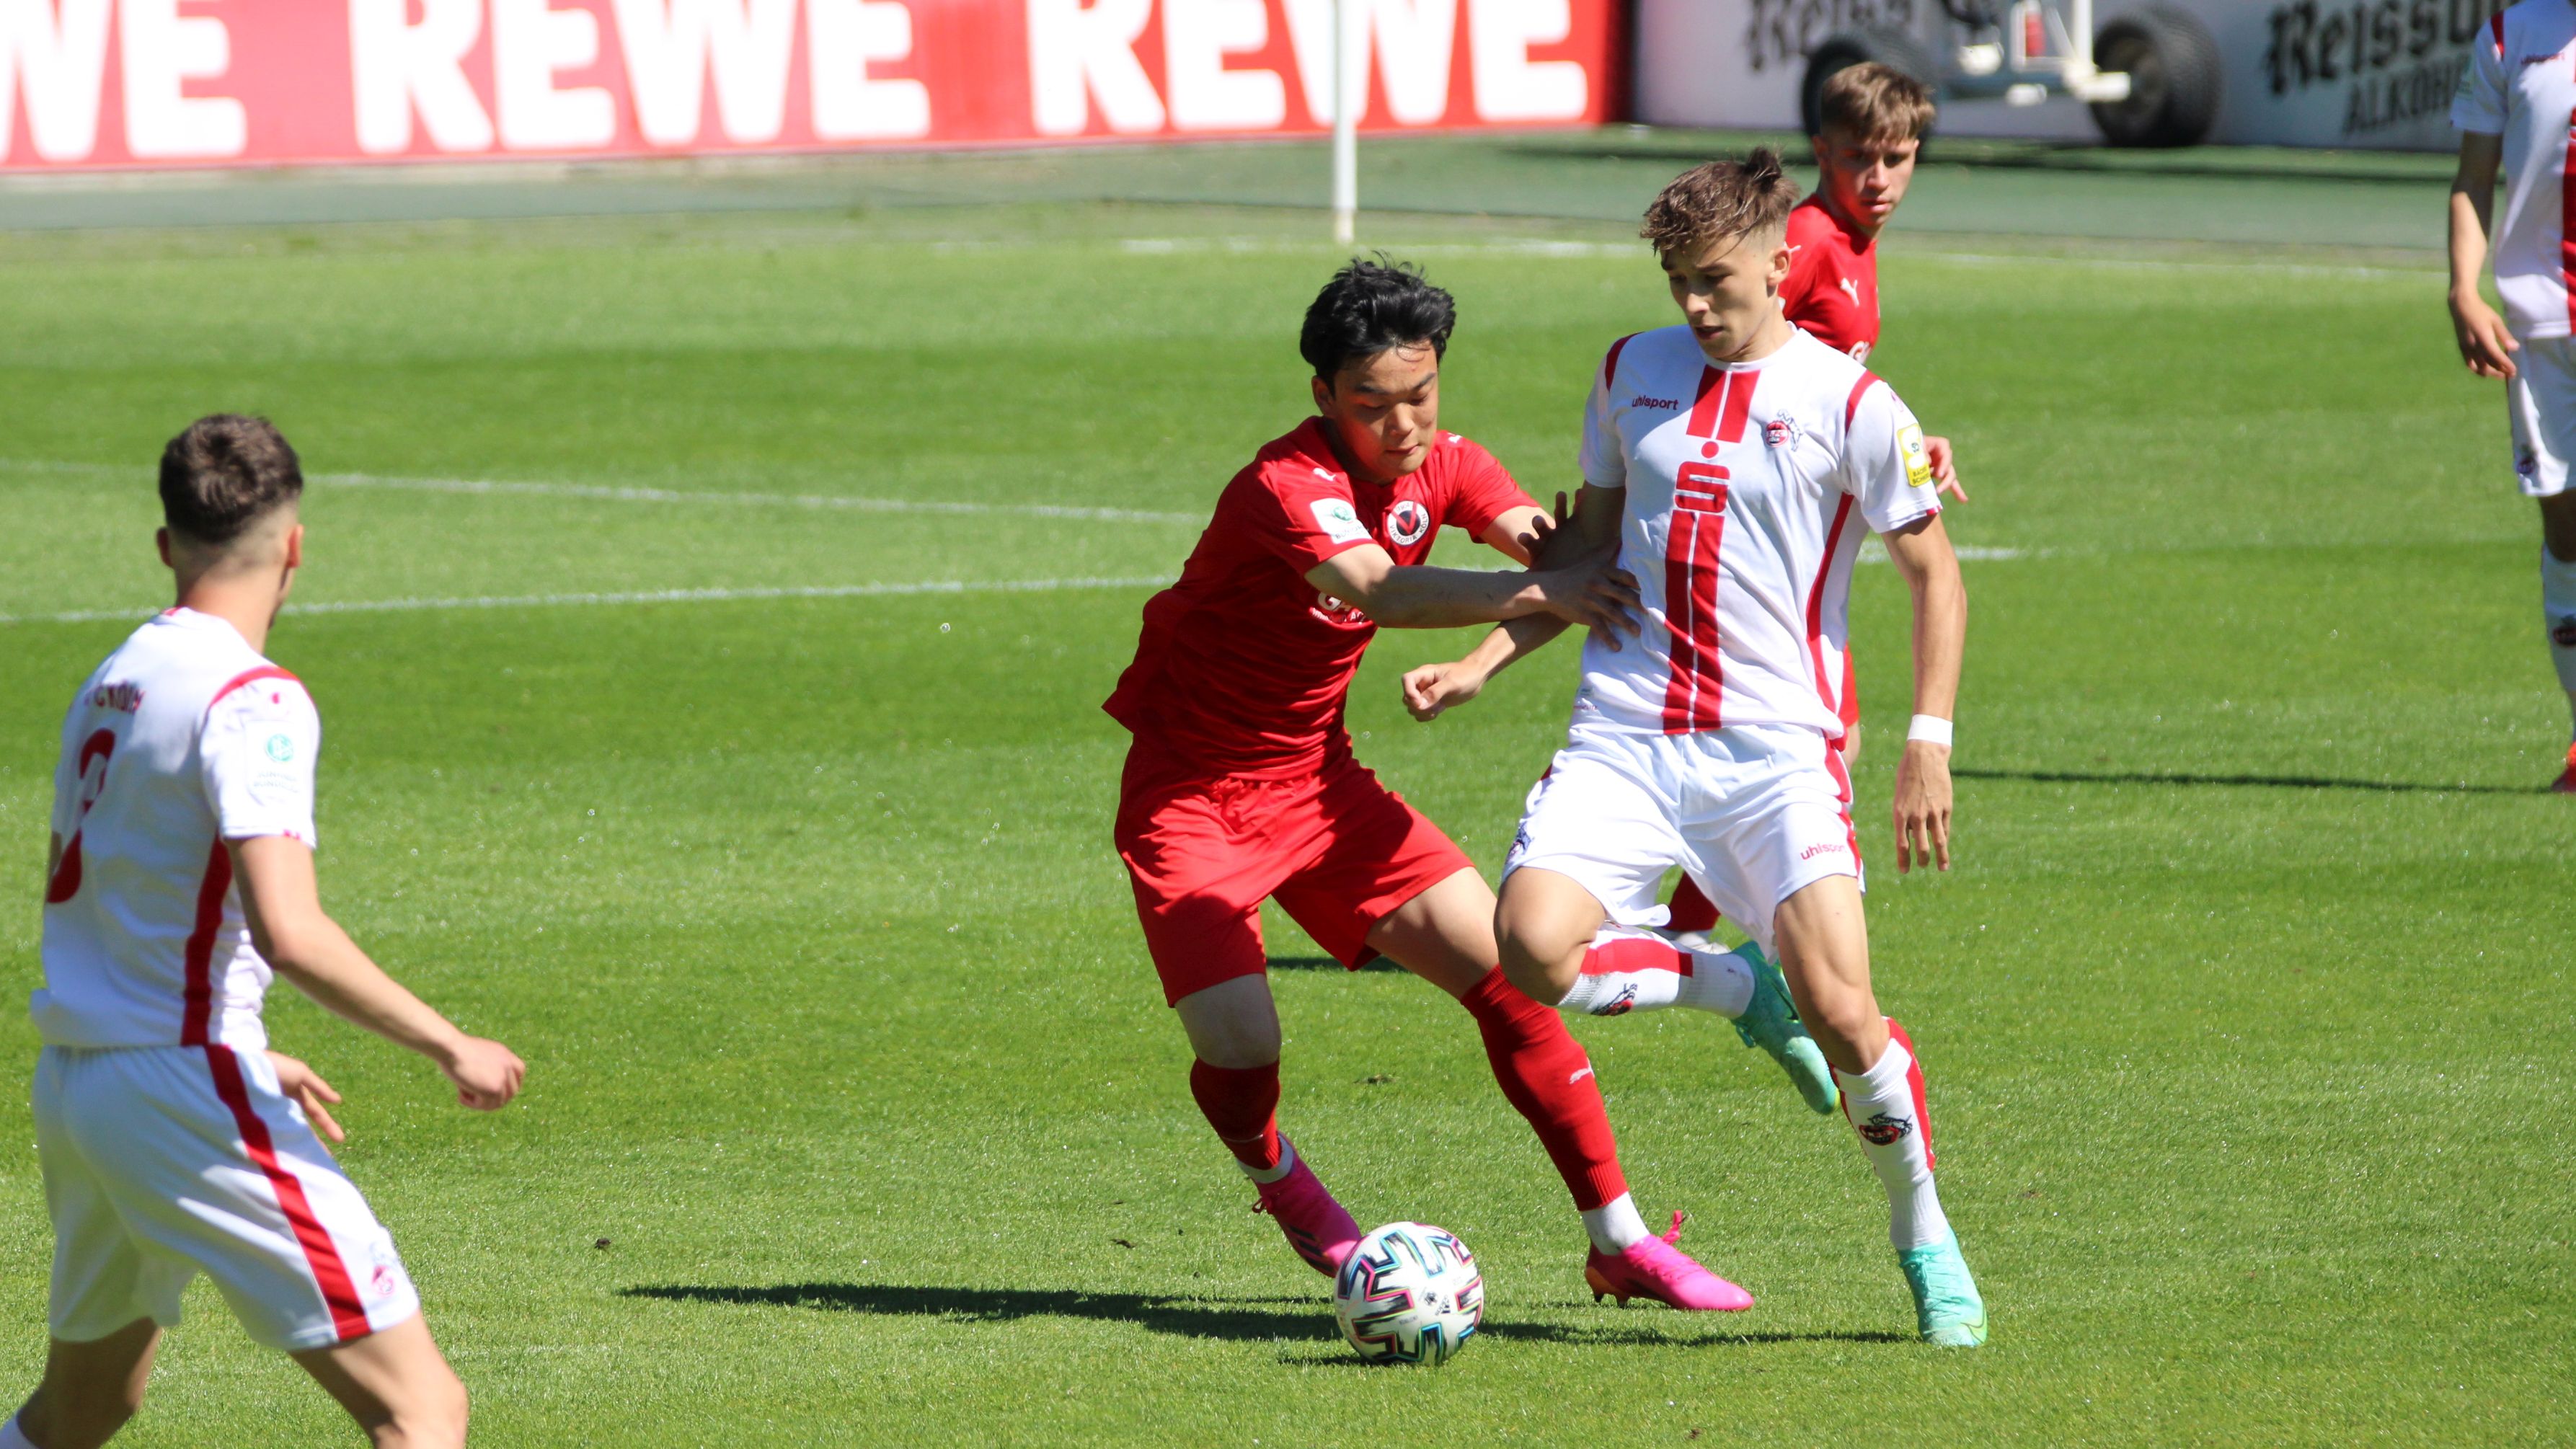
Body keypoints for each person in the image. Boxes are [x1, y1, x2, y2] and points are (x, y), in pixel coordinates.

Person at [1104, 260, 1824, 1311]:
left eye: (1419, 397)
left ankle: (1618, 1240)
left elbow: (1566, 559)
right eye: (1371, 406)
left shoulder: (1450, 466)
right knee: (1245, 1043)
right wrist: (1547, 582)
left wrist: (1531, 608)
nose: (1401, 427)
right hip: (1189, 796)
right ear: (1322, 398)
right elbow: (1382, 590)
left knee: (1510, 975)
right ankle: (1284, 1185)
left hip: (1318, 785)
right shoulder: (1284, 485)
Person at [1422, 152, 1988, 1345]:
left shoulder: (1854, 408)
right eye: (1677, 280)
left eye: (1714, 278)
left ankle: (1921, 1233)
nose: (1693, 303)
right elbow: (1581, 561)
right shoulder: (1630, 372)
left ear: (1782, 261)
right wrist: (1485, 658)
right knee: (1528, 947)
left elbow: (1934, 577)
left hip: (1773, 755)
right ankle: (1735, 985)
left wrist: (1924, 742)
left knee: (1848, 1022)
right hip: (1625, 733)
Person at [16, 416, 527, 1448]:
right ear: (295, 544)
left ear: (166, 543)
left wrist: (236, 1041)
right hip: (175, 1081)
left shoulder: (115, 678)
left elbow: (130, 889)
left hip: (82, 1081)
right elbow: (290, 930)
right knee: (421, 1406)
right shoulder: (253, 698)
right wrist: (449, 1040)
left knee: (82, 1409)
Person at [1663, 62, 1966, 931]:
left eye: (1899, 158)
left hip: (1801, 518)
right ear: (1824, 152)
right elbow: (1729, 346)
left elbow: (1821, 375)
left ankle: (1691, 923)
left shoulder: (1855, 244)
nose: (1880, 180)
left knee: (1836, 738)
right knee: (1813, 742)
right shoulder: (1809, 239)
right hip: (1756, 523)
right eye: (1861, 158)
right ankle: (1718, 932)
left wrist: (1905, 439)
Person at [2448, 4, 2576, 792]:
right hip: (2539, 328)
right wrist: (2463, 289)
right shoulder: (2509, 33)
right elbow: (2472, 177)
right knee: (2567, 532)